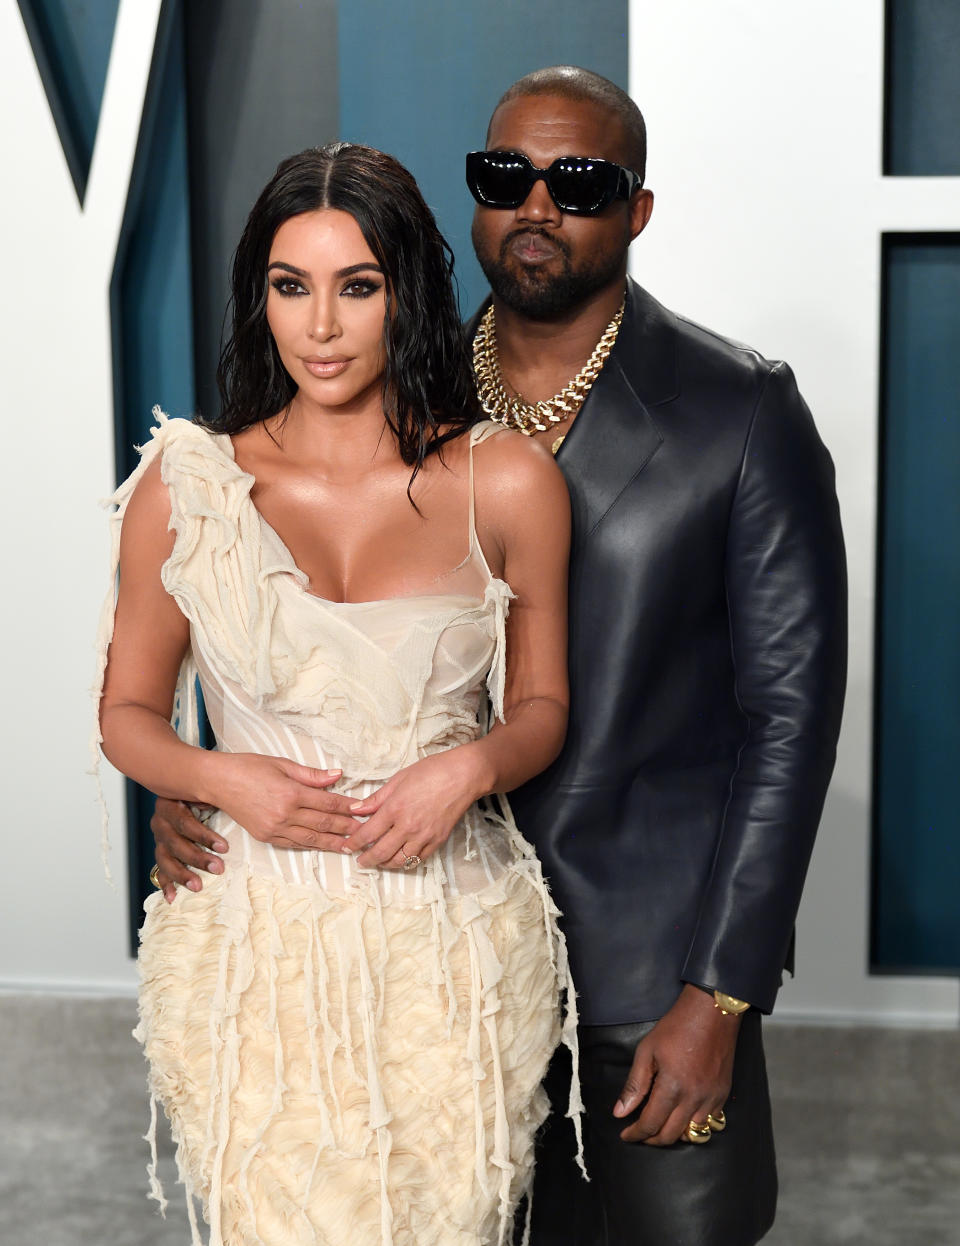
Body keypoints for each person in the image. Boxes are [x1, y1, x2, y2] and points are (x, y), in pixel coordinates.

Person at [151, 67, 848, 1246]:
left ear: (636, 209)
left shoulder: (740, 413)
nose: (537, 205)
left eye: (579, 182)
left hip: (646, 961)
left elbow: (791, 719)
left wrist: (722, 992)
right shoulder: (393, 385)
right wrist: (205, 780)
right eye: (503, 176)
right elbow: (327, 635)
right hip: (428, 954)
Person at [94, 142, 578, 1246]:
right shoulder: (188, 487)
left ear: (405, 292)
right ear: (257, 297)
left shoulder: (506, 479)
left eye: (357, 286)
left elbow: (544, 708)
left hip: (452, 938)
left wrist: (469, 765)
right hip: (250, 940)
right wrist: (221, 778)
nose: (320, 325)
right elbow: (125, 714)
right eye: (290, 285)